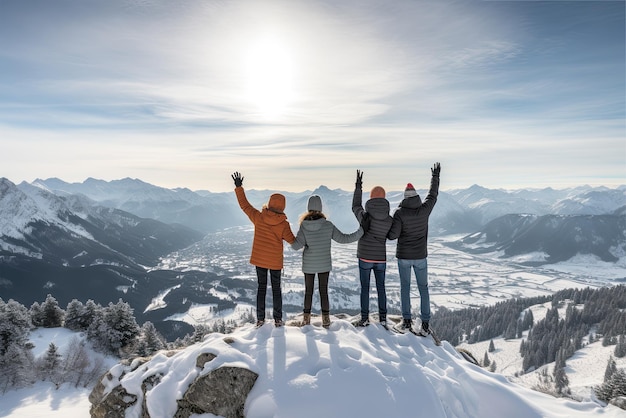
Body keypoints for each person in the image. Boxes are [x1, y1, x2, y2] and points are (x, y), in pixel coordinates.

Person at [231, 171, 296, 327]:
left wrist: (239, 187)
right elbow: (293, 241)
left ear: (270, 203)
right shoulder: (283, 224)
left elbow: (245, 206)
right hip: (274, 262)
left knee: (261, 288)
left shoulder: (259, 217)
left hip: (260, 259)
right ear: (283, 206)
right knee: (276, 289)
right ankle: (278, 319)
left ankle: (260, 319)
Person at [292, 195, 363, 328]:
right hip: (324, 264)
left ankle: (306, 319)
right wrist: (361, 231)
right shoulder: (328, 225)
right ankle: (326, 319)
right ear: (321, 208)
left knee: (309, 291)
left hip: (309, 265)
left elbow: (296, 246)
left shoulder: (303, 226)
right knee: (323, 291)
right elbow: (344, 239)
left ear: (308, 208)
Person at [388, 162, 441, 335]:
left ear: (404, 197)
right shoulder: (424, 210)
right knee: (423, 288)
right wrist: (435, 177)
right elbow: (433, 195)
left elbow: (393, 235)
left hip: (403, 256)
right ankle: (425, 324)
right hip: (420, 256)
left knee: (405, 287)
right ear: (416, 196)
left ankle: (407, 321)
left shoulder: (399, 213)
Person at [351, 170, 394, 328]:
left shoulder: (364, 216)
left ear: (370, 198)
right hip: (380, 258)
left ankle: (364, 318)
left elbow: (355, 206)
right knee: (381, 288)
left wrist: (358, 186)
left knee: (365, 288)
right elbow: (392, 235)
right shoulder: (389, 219)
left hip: (364, 257)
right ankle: (383, 318)